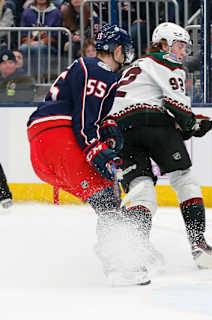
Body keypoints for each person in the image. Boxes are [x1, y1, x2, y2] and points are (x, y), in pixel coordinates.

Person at [27, 24, 163, 286]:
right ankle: (119, 264)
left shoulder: (87, 69)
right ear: (119, 50)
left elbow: (89, 113)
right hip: (59, 139)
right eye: (126, 51)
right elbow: (84, 121)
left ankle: (120, 256)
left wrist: (108, 129)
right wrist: (95, 148)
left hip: (44, 152)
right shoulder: (99, 70)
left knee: (105, 198)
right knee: (108, 200)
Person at [108, 22, 212, 263]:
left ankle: (136, 250)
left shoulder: (132, 67)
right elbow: (175, 103)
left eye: (185, 48)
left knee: (141, 189)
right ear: (165, 44)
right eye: (179, 45)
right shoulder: (167, 61)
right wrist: (192, 125)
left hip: (119, 132)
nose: (182, 52)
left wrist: (186, 124)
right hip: (152, 125)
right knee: (184, 180)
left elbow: (146, 102)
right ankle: (198, 243)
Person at [19, 0, 62, 76]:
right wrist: (29, 41)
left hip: (49, 46)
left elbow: (55, 35)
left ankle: (39, 79)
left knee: (39, 48)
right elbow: (23, 33)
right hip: (30, 43)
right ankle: (25, 78)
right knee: (23, 48)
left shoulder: (56, 12)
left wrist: (41, 42)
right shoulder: (26, 12)